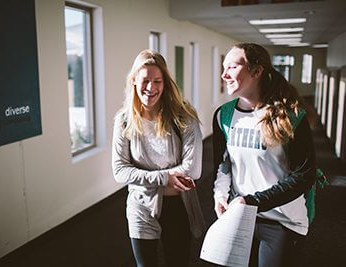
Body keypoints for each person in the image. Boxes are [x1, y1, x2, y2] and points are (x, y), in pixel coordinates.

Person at [212, 43, 316, 267]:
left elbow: (304, 176)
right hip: (240, 217)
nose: (224, 74)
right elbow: (224, 165)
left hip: (281, 220)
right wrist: (220, 195)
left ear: (257, 71)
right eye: (223, 67)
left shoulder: (290, 115)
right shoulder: (224, 115)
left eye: (232, 66)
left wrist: (252, 201)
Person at [112, 49, 204, 267]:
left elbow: (193, 170)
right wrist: (165, 179)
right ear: (134, 80)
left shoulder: (183, 116)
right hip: (141, 205)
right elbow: (119, 171)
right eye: (145, 80)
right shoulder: (124, 120)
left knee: (178, 262)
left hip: (178, 205)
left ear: (165, 83)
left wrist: (145, 178)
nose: (151, 88)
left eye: (157, 81)